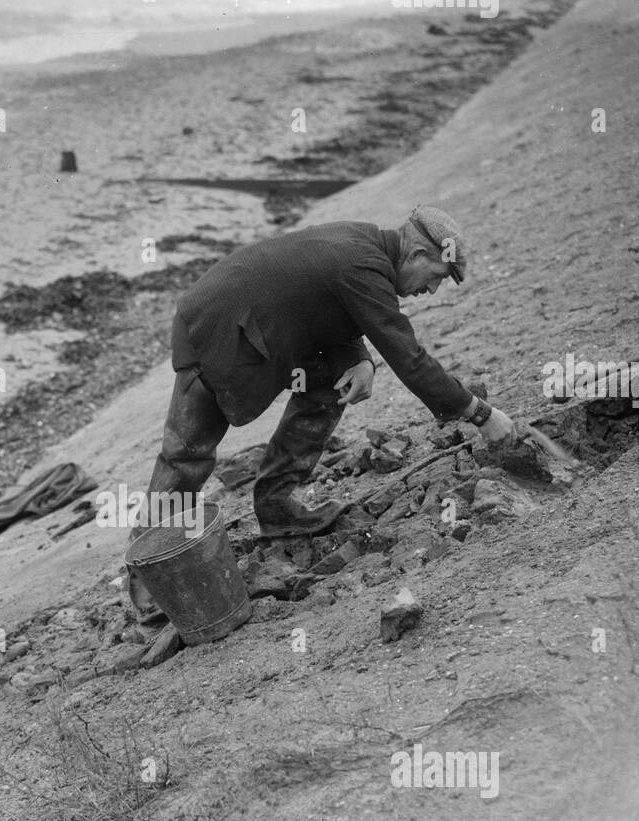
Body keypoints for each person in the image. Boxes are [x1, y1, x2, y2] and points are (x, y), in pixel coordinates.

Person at [128, 205, 517, 620]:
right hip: (215, 329)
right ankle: (147, 568)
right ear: (418, 255)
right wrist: (480, 414)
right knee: (187, 453)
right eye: (437, 276)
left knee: (332, 383)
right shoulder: (363, 263)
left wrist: (360, 360)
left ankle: (276, 506)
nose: (432, 290)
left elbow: (328, 308)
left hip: (262, 329)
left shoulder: (366, 248)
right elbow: (409, 358)